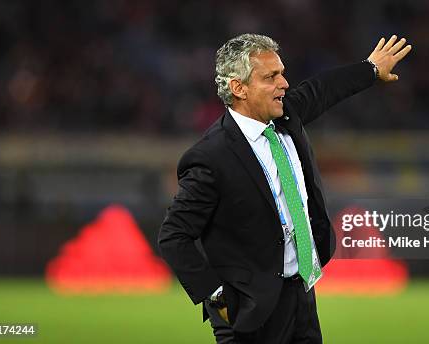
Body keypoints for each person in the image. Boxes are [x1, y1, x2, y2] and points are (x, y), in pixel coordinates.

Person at [158, 33, 411, 343]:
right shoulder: (211, 157)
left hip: (300, 296)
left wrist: (370, 68)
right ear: (239, 88)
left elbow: (322, 90)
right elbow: (174, 235)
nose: (284, 83)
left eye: (282, 73)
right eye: (271, 77)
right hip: (248, 314)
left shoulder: (286, 115)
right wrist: (216, 297)